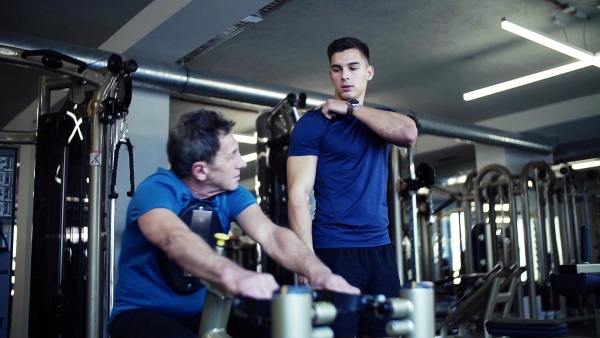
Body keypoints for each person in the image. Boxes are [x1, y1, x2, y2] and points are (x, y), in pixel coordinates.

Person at [108, 109, 359, 338]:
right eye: (232, 156)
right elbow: (174, 239)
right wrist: (235, 276)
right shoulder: (156, 190)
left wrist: (319, 273)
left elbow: (272, 235)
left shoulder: (231, 193)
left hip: (200, 315)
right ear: (200, 171)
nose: (242, 162)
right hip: (139, 314)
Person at [286, 37, 418, 337]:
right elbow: (298, 194)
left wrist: (351, 109)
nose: (344, 75)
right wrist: (306, 259)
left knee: (386, 331)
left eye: (353, 67)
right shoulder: (312, 125)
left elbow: (408, 133)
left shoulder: (380, 118)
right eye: (337, 69)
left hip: (381, 249)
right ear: (330, 74)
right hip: (335, 248)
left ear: (369, 72)